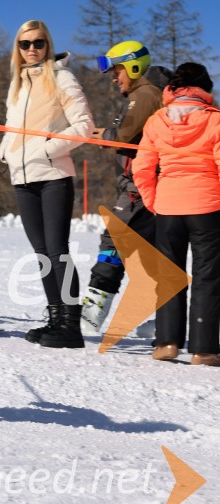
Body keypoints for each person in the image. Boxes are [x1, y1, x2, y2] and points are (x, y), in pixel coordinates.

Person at [0, 20, 94, 348]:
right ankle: (55, 320)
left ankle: (71, 326)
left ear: (48, 44)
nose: (32, 49)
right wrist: (7, 151)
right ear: (18, 48)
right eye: (25, 44)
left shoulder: (62, 77)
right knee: (41, 253)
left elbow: (84, 125)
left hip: (54, 176)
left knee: (57, 251)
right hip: (23, 178)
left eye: (38, 43)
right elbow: (12, 128)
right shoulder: (18, 83)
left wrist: (47, 148)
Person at [133, 62, 220, 367]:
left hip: (168, 206)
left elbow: (142, 166)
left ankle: (167, 343)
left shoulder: (157, 120)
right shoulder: (215, 120)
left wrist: (154, 200)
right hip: (207, 206)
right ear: (205, 89)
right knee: (207, 277)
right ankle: (204, 349)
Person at [80, 41, 168, 334]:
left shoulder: (144, 93)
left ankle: (91, 313)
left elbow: (125, 134)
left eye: (117, 70)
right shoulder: (145, 93)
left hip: (140, 186)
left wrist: (106, 134)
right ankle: (169, 321)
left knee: (113, 243)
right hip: (145, 185)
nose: (115, 77)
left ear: (133, 66)